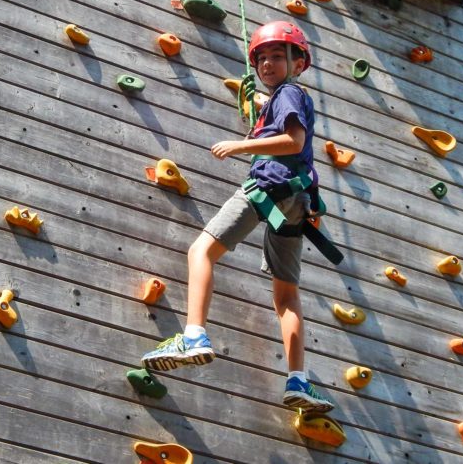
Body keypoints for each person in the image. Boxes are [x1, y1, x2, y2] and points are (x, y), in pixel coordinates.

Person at [140, 21, 334, 412]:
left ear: (299, 63)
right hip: (294, 201)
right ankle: (298, 381)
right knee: (286, 296)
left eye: (277, 56)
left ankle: (194, 335)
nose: (266, 64)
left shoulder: (291, 93)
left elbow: (293, 141)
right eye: (261, 58)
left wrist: (242, 145)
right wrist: (261, 112)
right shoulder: (284, 98)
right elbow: (294, 136)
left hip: (267, 188)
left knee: (201, 253)